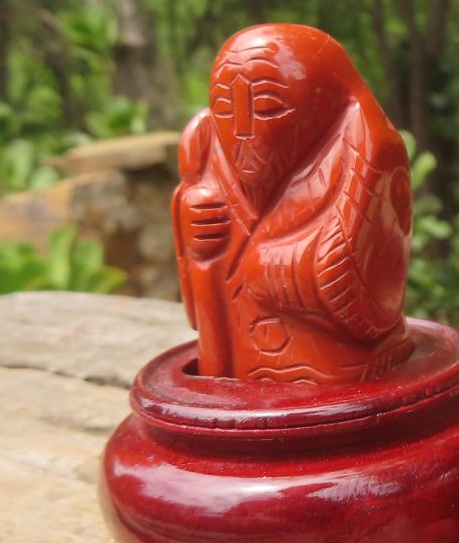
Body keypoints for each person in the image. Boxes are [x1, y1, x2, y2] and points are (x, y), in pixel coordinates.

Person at [174, 24, 413, 383]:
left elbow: (362, 287)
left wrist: (265, 268)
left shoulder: (365, 149)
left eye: (269, 108)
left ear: (328, 105)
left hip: (332, 375)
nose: (242, 130)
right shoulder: (205, 145)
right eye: (225, 108)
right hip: (240, 367)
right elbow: (201, 291)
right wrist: (193, 228)